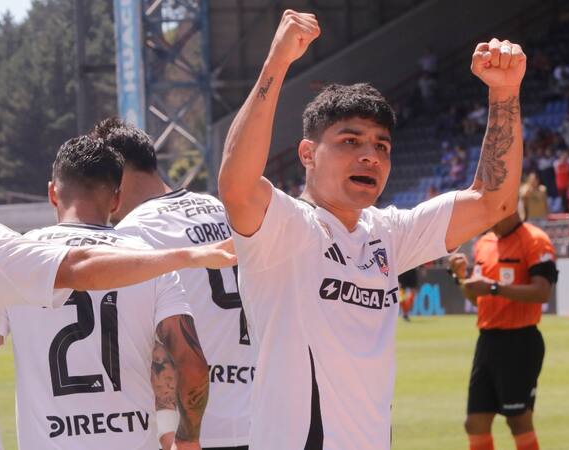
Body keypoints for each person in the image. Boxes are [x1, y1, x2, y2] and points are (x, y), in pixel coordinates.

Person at [217, 10, 526, 450]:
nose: (371, 156)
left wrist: (505, 92)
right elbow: (236, 184)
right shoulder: (284, 228)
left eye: (382, 146)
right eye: (350, 141)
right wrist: (277, 62)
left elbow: (493, 201)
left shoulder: (387, 233)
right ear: (307, 154)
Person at [0, 129, 234, 450]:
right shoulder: (149, 260)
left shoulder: (16, 256)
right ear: (116, 199)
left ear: (52, 194)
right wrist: (186, 440)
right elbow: (191, 364)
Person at [95, 118, 255, 450]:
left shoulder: (132, 234)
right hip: (263, 416)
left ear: (117, 175)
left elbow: (150, 347)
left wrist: (169, 431)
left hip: (197, 429)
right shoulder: (220, 209)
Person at [448, 211, 557, 450]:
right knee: (474, 423)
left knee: (518, 420)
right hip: (488, 341)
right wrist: (460, 277)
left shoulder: (535, 240)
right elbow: (478, 299)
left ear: (506, 207)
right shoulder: (484, 243)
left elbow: (542, 292)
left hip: (520, 340)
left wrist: (495, 288)